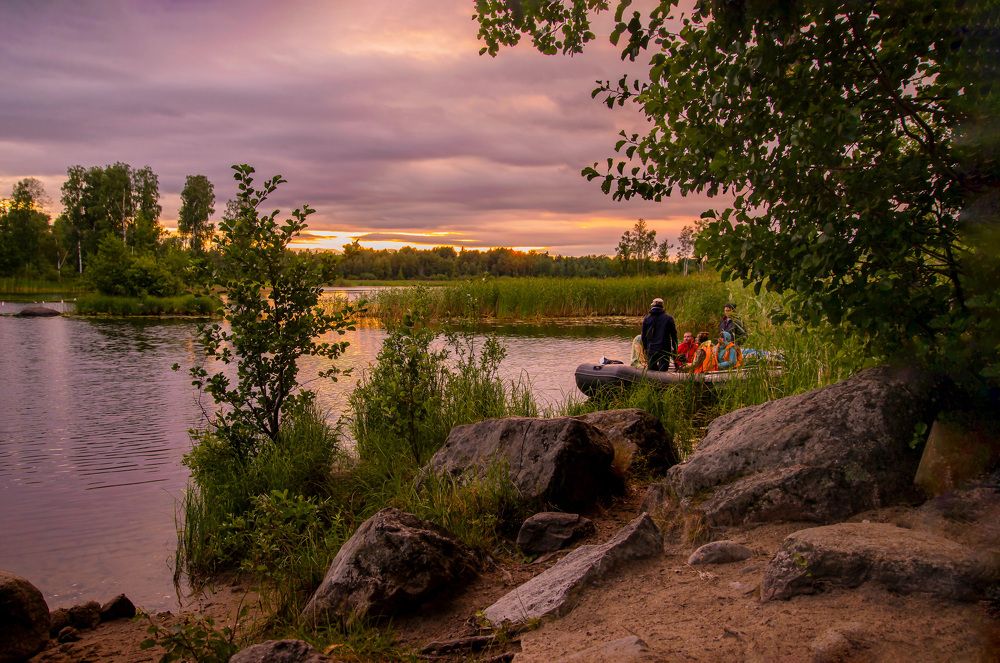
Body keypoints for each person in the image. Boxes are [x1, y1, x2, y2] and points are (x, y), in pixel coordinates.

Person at [641, 297, 677, 371]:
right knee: (663, 371)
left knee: (651, 371)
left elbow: (643, 336)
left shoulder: (647, 318)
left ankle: (652, 382)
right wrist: (675, 349)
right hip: (665, 349)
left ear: (652, 306)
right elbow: (674, 335)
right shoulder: (669, 318)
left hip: (651, 348)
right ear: (662, 306)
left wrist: (645, 348)